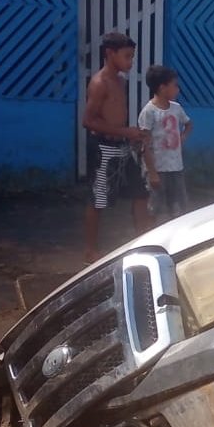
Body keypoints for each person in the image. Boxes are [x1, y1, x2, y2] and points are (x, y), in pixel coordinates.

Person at [83, 32, 149, 264]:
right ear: (110, 54)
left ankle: (145, 242)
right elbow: (88, 120)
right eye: (127, 56)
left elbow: (116, 115)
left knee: (141, 193)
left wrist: (130, 134)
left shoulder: (120, 80)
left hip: (121, 145)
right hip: (103, 147)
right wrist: (125, 132)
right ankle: (91, 250)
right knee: (98, 199)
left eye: (132, 56)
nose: (131, 61)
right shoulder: (100, 83)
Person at [138, 65, 193, 221]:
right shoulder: (149, 112)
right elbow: (145, 145)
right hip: (158, 170)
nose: (177, 89)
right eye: (174, 85)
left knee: (178, 208)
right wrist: (152, 173)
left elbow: (189, 123)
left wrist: (183, 136)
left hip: (176, 167)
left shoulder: (177, 108)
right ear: (162, 88)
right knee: (157, 209)